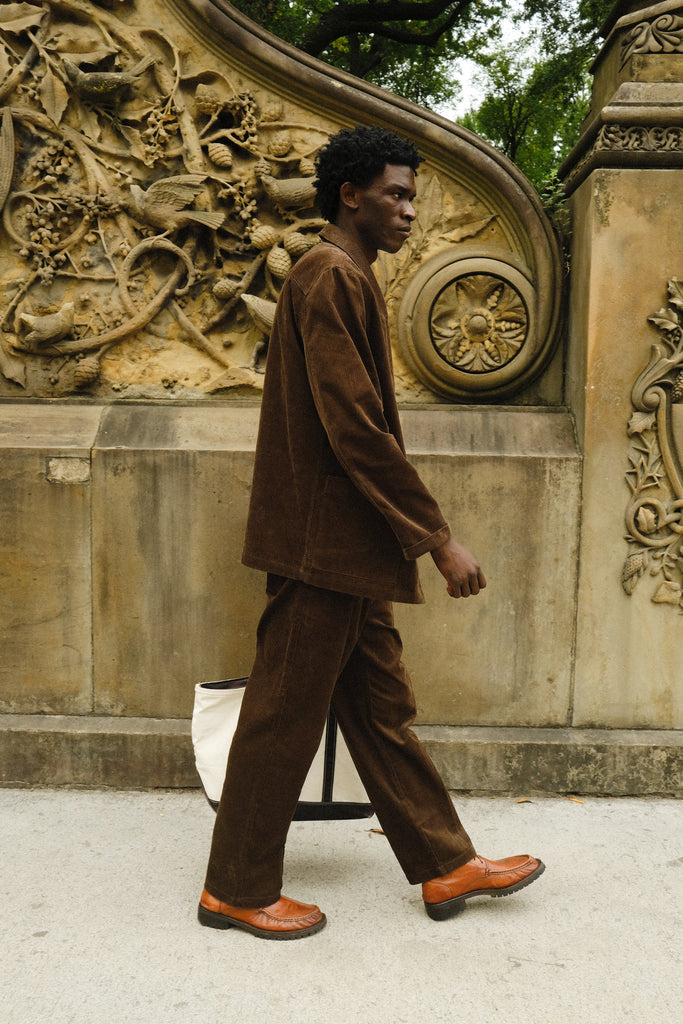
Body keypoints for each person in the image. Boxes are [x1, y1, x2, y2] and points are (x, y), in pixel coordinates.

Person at [198, 125, 544, 939]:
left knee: (381, 709)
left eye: (412, 196)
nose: (408, 211)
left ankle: (444, 862)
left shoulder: (344, 275)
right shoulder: (327, 275)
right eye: (395, 193)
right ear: (349, 194)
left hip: (350, 547)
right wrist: (436, 537)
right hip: (326, 547)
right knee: (283, 715)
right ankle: (236, 889)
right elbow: (353, 427)